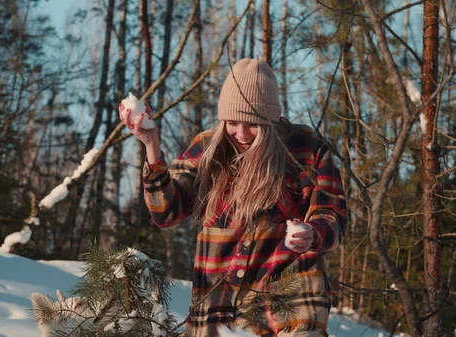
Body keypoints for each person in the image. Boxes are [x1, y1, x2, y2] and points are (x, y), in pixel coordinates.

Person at [119, 58, 347, 337]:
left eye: (252, 124)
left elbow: (332, 214)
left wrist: (313, 233)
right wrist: (151, 144)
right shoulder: (207, 148)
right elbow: (166, 211)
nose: (241, 133)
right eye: (232, 122)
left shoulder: (307, 149)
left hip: (291, 300)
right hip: (219, 304)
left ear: (271, 120)